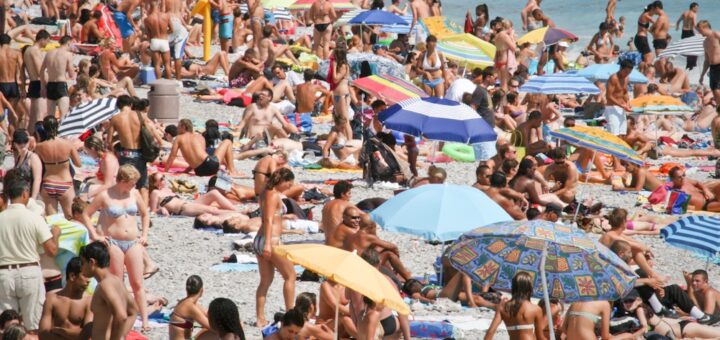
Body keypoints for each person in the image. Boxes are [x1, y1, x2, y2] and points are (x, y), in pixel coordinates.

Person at [81, 165, 151, 331]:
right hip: (113, 241)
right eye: (132, 183)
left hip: (133, 241)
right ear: (122, 181)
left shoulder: (134, 193)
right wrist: (95, 235)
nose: (134, 186)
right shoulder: (105, 195)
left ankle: (145, 320)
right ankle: (118, 317)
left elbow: (145, 213)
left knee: (137, 282)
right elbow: (86, 213)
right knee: (117, 282)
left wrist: (145, 234)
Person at [0, 170, 60, 335]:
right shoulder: (34, 218)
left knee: (7, 328)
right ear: (25, 193)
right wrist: (56, 234)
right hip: (29, 272)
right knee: (32, 325)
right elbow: (52, 250)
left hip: (3, 274)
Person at [609, 240, 720, 325]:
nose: (631, 255)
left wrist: (656, 288)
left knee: (674, 289)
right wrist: (648, 281)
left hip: (647, 298)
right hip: (630, 301)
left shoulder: (624, 265)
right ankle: (659, 309)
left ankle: (701, 316)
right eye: (629, 252)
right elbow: (624, 283)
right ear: (621, 254)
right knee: (640, 272)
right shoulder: (613, 267)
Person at [254, 168, 297, 327]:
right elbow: (268, 219)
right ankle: (290, 315)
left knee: (265, 281)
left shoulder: (265, 192)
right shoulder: (273, 194)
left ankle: (260, 318)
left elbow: (271, 216)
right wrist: (267, 245)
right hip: (269, 241)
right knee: (290, 276)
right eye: (289, 184)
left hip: (260, 239)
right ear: (283, 181)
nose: (289, 187)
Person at [80, 241, 137, 340]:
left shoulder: (105, 285)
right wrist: (121, 336)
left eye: (83, 262)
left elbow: (121, 316)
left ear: (92, 262)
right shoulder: (116, 281)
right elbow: (133, 312)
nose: (81, 267)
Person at [34, 116, 81, 218]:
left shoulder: (39, 147)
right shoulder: (67, 144)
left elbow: (36, 164)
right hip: (65, 183)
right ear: (58, 126)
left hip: (48, 183)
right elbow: (78, 164)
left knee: (52, 220)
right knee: (71, 217)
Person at [38, 257, 93, 340]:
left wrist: (62, 332)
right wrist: (73, 335)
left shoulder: (88, 301)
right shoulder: (52, 298)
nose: (89, 280)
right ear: (72, 276)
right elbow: (43, 334)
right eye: (85, 275)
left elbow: (86, 334)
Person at [107, 95, 149, 201]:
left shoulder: (115, 118)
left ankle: (126, 204)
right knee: (143, 185)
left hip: (125, 154)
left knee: (125, 182)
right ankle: (144, 211)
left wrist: (121, 136)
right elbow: (149, 132)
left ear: (118, 106)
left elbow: (109, 141)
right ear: (131, 104)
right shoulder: (140, 115)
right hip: (140, 153)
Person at [166, 118, 239, 177]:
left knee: (226, 142)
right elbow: (201, 158)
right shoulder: (199, 137)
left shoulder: (179, 138)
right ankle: (232, 170)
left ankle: (231, 170)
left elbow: (172, 156)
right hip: (211, 167)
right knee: (227, 142)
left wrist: (166, 170)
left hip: (199, 171)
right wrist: (185, 171)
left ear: (183, 127)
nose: (177, 129)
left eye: (178, 127)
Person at [484, 271, 546, 340]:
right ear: (529, 288)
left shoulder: (503, 307)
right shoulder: (535, 309)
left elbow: (490, 332)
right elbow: (540, 337)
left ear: (513, 287)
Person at [149, 172, 241, 216]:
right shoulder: (155, 192)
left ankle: (235, 210)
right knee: (212, 210)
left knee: (214, 193)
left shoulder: (167, 189)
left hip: (188, 204)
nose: (164, 180)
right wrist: (161, 209)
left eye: (164, 177)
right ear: (155, 184)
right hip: (183, 209)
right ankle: (239, 214)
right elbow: (153, 211)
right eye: (161, 179)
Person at [40, 36, 75, 118]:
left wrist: (43, 86)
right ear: (68, 43)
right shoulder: (68, 54)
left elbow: (41, 71)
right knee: (63, 116)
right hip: (61, 85)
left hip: (50, 85)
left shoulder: (49, 53)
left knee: (50, 116)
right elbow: (71, 74)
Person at [638, 304, 720, 339]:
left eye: (630, 301)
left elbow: (644, 327)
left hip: (683, 330)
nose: (628, 303)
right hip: (679, 329)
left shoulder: (639, 309)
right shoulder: (638, 310)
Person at [23, 30, 51, 130]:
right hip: (39, 83)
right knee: (40, 116)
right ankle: (38, 139)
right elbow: (40, 70)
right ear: (42, 39)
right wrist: (49, 84)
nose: (48, 44)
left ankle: (31, 139)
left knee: (33, 117)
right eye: (47, 41)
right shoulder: (35, 50)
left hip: (33, 82)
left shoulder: (28, 50)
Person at [169, 275, 210, 340]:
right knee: (214, 331)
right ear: (202, 290)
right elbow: (210, 326)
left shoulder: (186, 302)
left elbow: (207, 314)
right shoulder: (190, 307)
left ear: (186, 289)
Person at [0, 34, 24, 129]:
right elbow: (22, 68)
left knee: (1, 114)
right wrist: (22, 86)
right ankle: (12, 138)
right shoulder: (16, 53)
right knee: (11, 117)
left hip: (1, 84)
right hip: (13, 85)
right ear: (10, 42)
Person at [605, 59, 633, 137]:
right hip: (612, 108)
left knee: (622, 134)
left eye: (629, 72)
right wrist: (622, 105)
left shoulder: (626, 78)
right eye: (626, 72)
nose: (627, 74)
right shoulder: (614, 78)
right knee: (614, 135)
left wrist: (628, 102)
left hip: (622, 108)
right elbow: (608, 96)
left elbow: (624, 92)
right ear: (621, 68)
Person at [144, 0, 172, 79]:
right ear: (158, 6)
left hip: (154, 40)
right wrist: (165, 33)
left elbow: (148, 34)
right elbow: (171, 29)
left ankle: (158, 84)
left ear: (150, 7)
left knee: (157, 64)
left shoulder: (147, 19)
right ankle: (169, 84)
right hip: (164, 40)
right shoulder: (166, 16)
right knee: (167, 64)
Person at [11, 129, 41, 199]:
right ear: (15, 144)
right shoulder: (18, 157)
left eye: (25, 145)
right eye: (20, 146)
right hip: (20, 196)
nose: (23, 148)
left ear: (28, 143)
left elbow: (37, 179)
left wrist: (33, 199)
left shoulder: (33, 157)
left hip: (31, 196)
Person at [698, 20, 720, 105]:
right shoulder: (705, 42)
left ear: (705, 27)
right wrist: (702, 75)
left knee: (718, 90)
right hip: (712, 68)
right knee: (714, 90)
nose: (699, 32)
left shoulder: (716, 34)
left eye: (700, 30)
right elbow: (706, 60)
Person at [676, 2, 699, 70]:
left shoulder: (684, 13)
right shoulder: (694, 14)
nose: (697, 9)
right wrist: (700, 31)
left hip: (683, 32)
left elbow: (678, 21)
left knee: (686, 48)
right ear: (693, 7)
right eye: (697, 8)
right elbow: (694, 25)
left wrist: (677, 27)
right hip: (690, 32)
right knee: (694, 48)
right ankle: (692, 65)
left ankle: (688, 64)